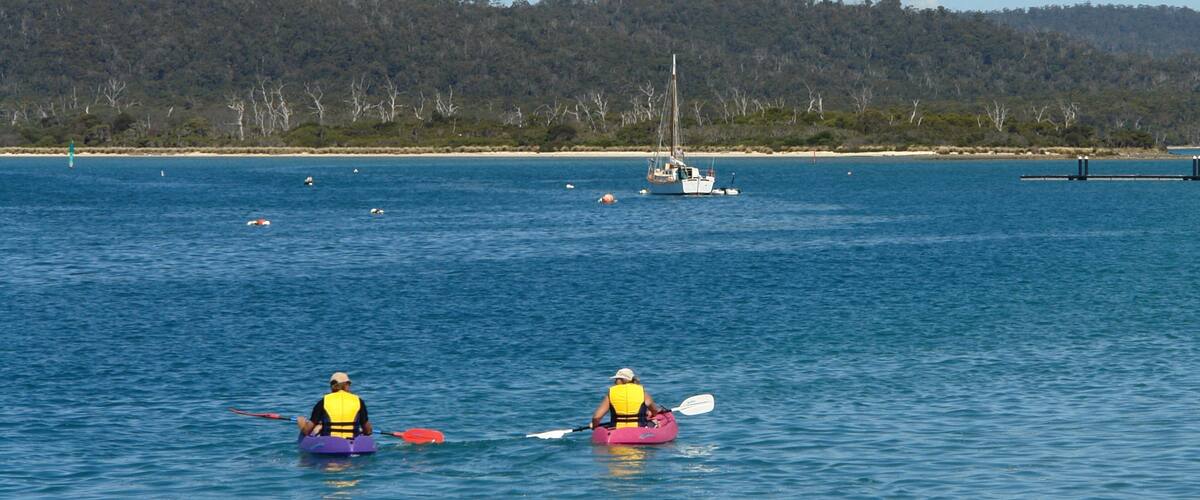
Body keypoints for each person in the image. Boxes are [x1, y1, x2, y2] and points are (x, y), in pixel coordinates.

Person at [297, 372, 373, 439]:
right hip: (352, 443)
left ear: (332, 386)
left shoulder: (323, 402)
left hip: (329, 443)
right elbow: (368, 431)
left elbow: (307, 431)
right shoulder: (359, 401)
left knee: (317, 428)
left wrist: (302, 423)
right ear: (346, 385)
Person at [591, 368, 660, 429]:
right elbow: (655, 411)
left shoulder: (611, 393)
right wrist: (649, 413)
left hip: (616, 429)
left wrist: (594, 426)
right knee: (656, 422)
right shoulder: (642, 392)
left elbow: (596, 417)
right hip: (639, 428)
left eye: (616, 379)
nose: (615, 381)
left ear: (621, 380)